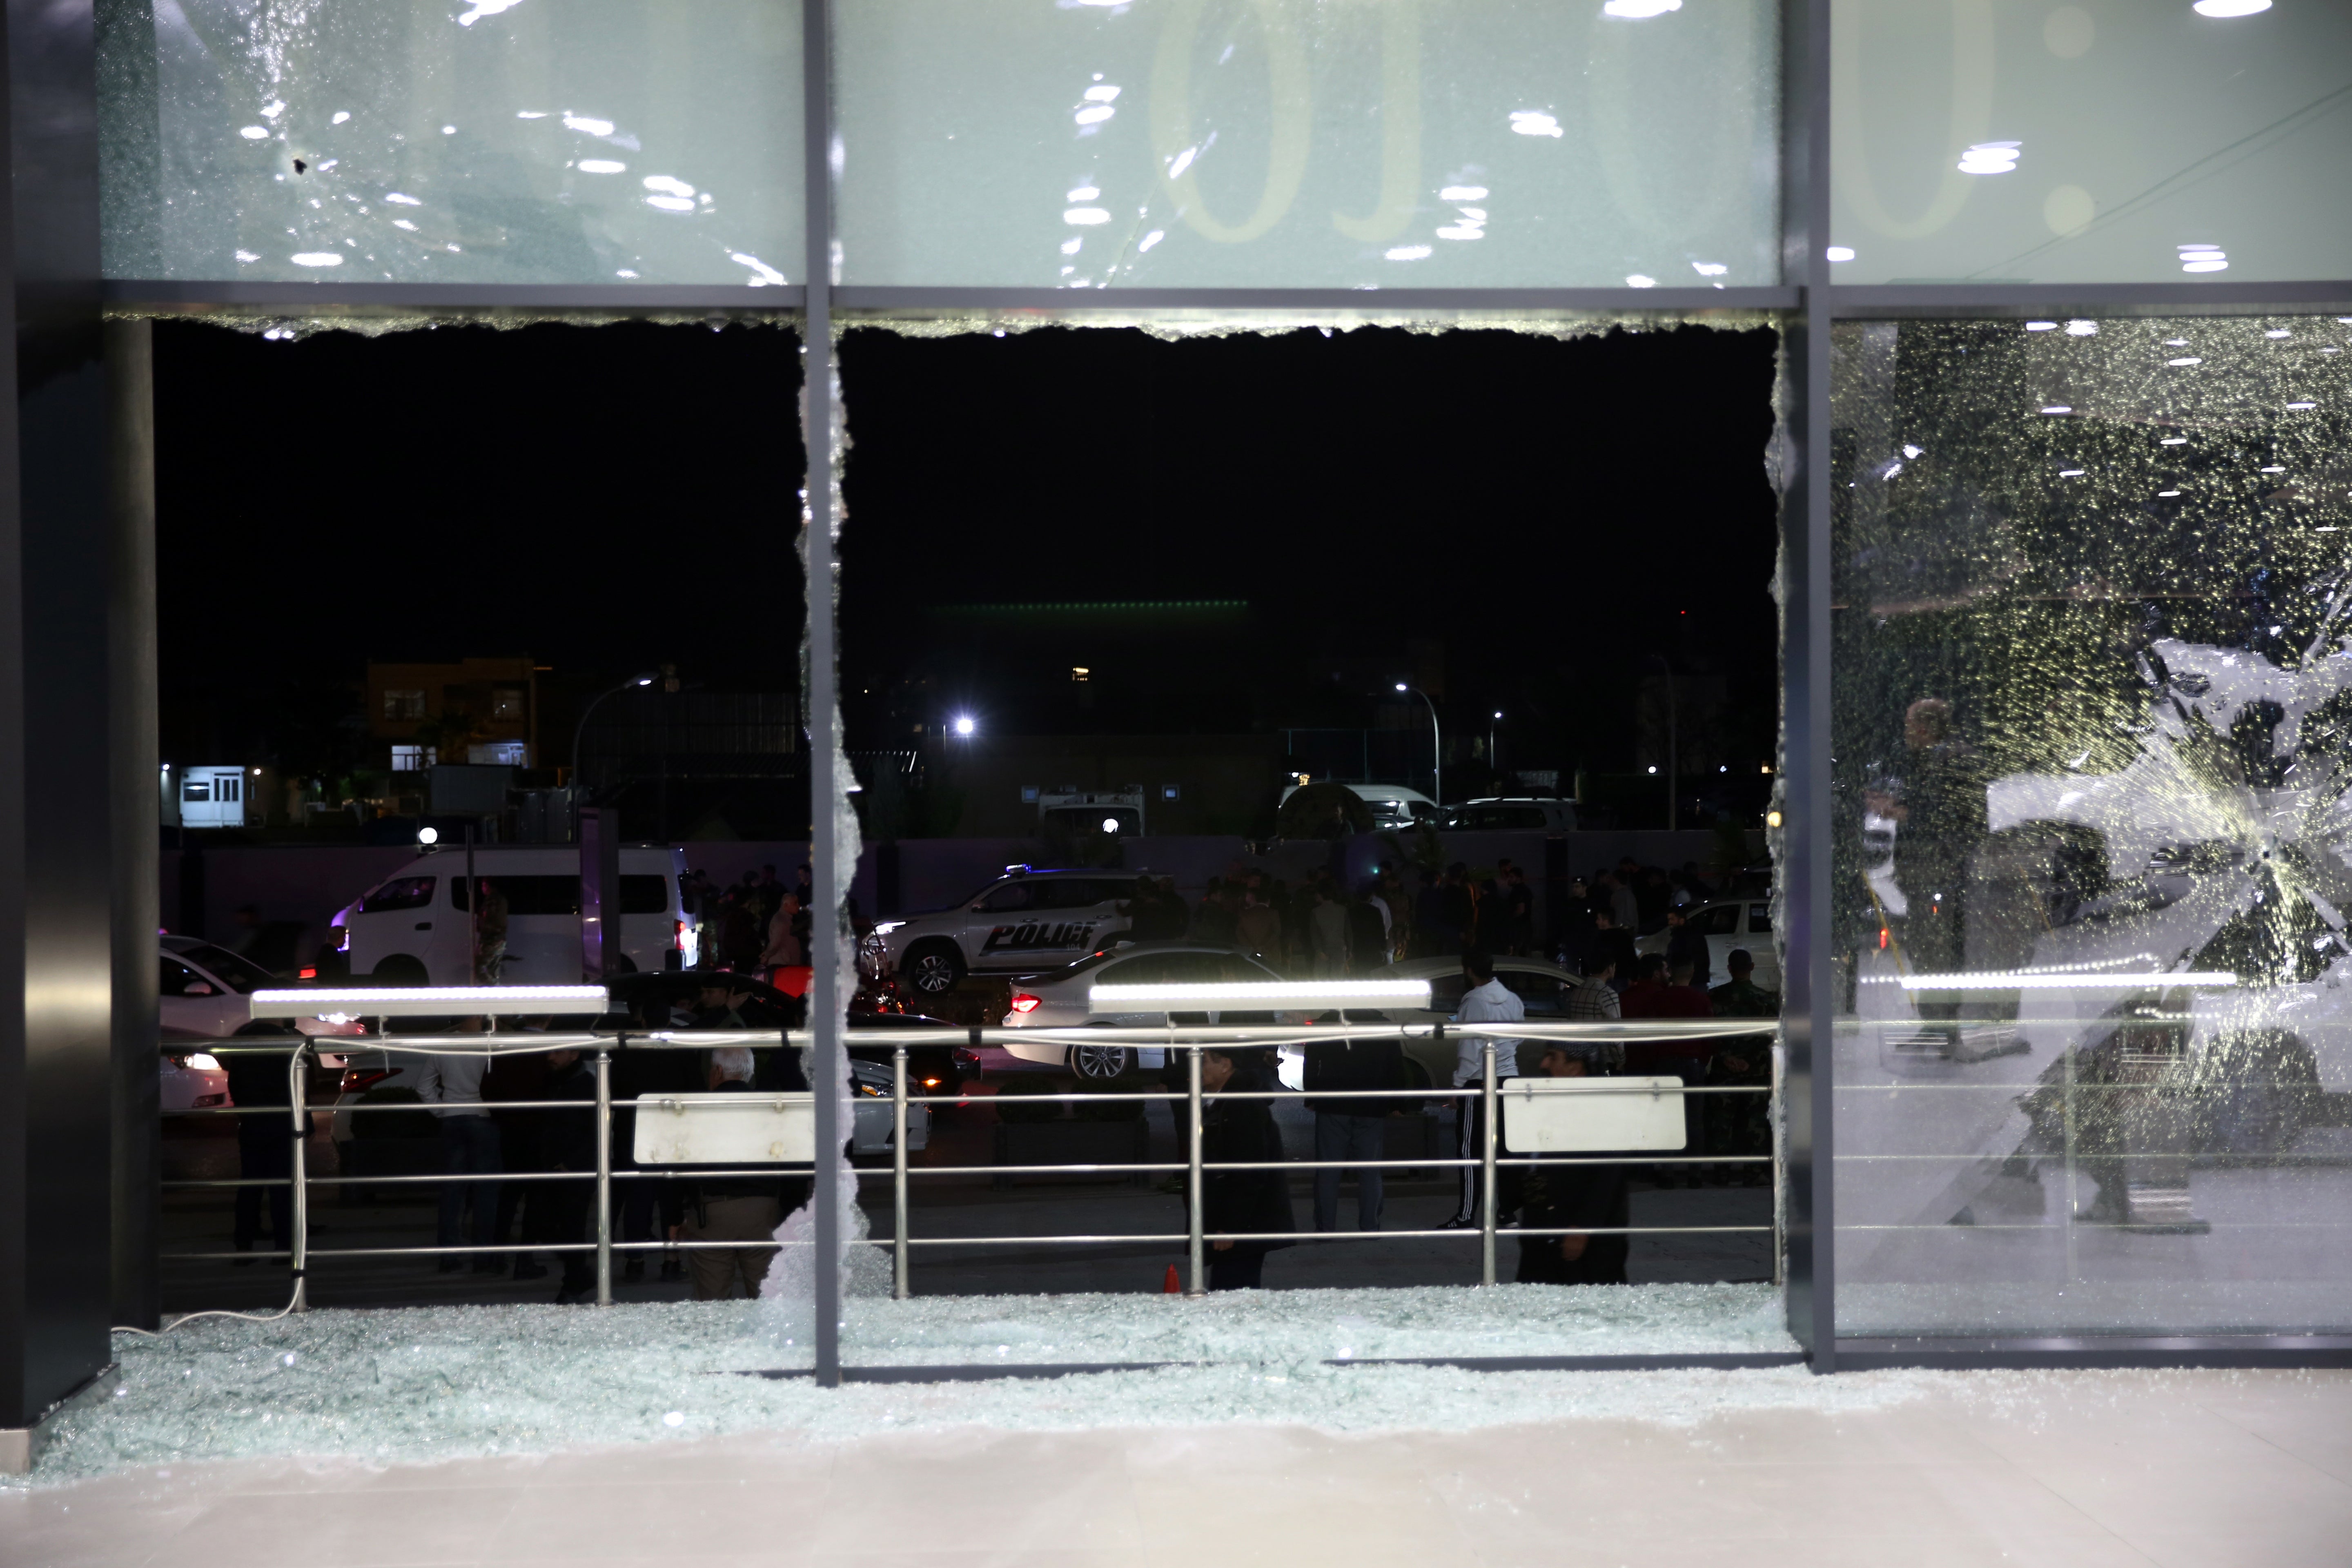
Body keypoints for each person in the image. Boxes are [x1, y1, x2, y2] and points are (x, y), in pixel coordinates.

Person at [1508, 1040, 1631, 1285]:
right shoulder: (1550, 1098)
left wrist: (1583, 1227)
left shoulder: (1600, 1107)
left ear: (1576, 1067)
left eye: (1553, 1058)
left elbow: (1608, 1173)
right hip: (1543, 1229)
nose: (1543, 1064)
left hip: (1582, 1237)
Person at [668, 1047, 786, 1299]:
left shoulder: (695, 1111)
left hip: (711, 1215)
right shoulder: (772, 1110)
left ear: (718, 1071)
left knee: (713, 1306)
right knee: (769, 1302)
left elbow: (679, 1169)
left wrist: (675, 1217)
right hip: (763, 1213)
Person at [1198, 1047, 1294, 1290]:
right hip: (1242, 1226)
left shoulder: (1240, 1105)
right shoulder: (1226, 1101)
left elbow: (1249, 1172)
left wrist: (1231, 1227)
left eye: (1203, 1061)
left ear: (1225, 1065)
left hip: (1243, 1228)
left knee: (1231, 1295)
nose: (1197, 1068)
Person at [1301, 1018, 1405, 1232]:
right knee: (1370, 1171)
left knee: (1328, 1171)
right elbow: (1395, 1065)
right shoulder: (1383, 1025)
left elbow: (1311, 1061)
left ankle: (1326, 1229)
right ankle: (1370, 1227)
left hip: (1333, 1102)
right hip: (1371, 1104)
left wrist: (1311, 1096)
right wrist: (1397, 1102)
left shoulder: (1325, 1024)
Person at [1445, 949, 1524, 1228]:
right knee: (1506, 1149)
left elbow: (1469, 1049)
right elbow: (1518, 1039)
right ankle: (1507, 1212)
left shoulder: (1473, 1001)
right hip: (1508, 1080)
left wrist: (1457, 1087)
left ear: (1468, 971)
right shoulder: (1513, 1000)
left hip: (1478, 1082)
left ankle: (1467, 1215)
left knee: (1469, 1151)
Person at [416, 1025, 504, 1274]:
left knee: (453, 1191)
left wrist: (442, 1110)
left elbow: (424, 1086)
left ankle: (449, 1255)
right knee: (486, 1192)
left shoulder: (443, 1045)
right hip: (484, 1118)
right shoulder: (489, 1043)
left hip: (453, 1120)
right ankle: (483, 1258)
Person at [1706, 949, 1777, 1186]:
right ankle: (1754, 1172)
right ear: (1753, 967)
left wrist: (1726, 1057)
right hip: (1755, 1071)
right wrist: (1751, 1061)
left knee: (1722, 1122)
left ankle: (1721, 1173)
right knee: (1754, 1122)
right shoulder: (1767, 999)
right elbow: (1772, 1038)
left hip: (1723, 1070)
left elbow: (1708, 1035)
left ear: (1729, 969)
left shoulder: (1714, 997)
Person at [224, 1037, 294, 1264]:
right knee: (281, 1188)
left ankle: (244, 1247)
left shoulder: (243, 1045)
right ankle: (283, 1247)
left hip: (252, 1123)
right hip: (280, 1122)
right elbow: (294, 1084)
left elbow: (235, 1085)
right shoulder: (282, 1044)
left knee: (250, 1187)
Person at [541, 1045, 600, 1304]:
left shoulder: (584, 1083)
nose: (550, 1057)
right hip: (557, 1166)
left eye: (557, 1052)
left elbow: (595, 1130)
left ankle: (574, 1281)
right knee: (554, 1225)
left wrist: (572, 1163)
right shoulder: (561, 1081)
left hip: (574, 1169)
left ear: (574, 1055)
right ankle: (578, 1276)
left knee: (570, 1226)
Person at [1663, 905, 1712, 991]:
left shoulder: (1684, 938)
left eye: (1672, 919)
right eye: (1669, 920)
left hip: (1690, 982)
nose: (1670, 923)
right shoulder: (1689, 935)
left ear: (1682, 921)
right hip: (1694, 982)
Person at [471, 877, 509, 984]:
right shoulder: (502, 899)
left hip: (491, 939)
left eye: (483, 886)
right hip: (500, 939)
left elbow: (489, 919)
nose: (482, 888)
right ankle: (494, 994)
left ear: (487, 886)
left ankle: (492, 986)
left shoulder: (492, 900)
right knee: (493, 970)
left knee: (479, 968)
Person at [1309, 886, 1350, 976]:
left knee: (1321, 977)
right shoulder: (1342, 910)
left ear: (1321, 895)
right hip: (1340, 948)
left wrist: (1319, 950)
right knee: (1338, 977)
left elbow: (1314, 933)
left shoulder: (1316, 912)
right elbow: (1348, 932)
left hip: (1324, 948)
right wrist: (1349, 949)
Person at [1235, 888, 1282, 958]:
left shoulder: (1245, 914)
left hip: (1250, 953)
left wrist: (1249, 946)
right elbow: (1277, 932)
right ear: (1269, 901)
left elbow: (1239, 932)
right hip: (1269, 953)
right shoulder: (1273, 913)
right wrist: (1265, 947)